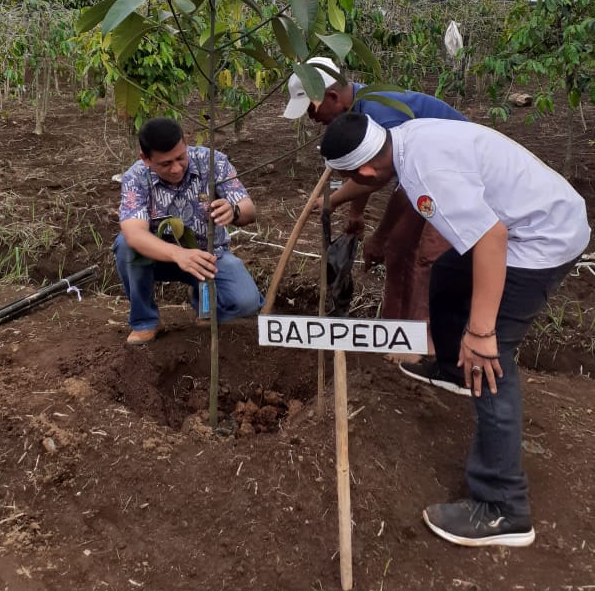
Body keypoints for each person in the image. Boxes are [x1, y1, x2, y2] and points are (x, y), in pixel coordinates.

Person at [320, 111, 590, 547]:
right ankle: (449, 368)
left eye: (352, 179)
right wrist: (328, 202)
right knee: (447, 273)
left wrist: (481, 332)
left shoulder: (427, 175)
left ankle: (503, 507)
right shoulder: (403, 139)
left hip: (538, 239)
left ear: (369, 169)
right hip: (532, 215)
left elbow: (490, 239)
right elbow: (371, 179)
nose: (354, 186)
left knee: (491, 358)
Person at [284, 57, 467, 334]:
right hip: (428, 176)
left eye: (311, 108)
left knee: (426, 255)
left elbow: (389, 180)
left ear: (332, 96)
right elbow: (367, 171)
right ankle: (395, 333)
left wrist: (375, 234)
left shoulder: (383, 114)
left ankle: (425, 343)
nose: (312, 118)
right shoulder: (360, 107)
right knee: (400, 248)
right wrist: (355, 213)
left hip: (456, 174)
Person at [114, 117, 263, 345]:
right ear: (145, 159)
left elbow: (249, 209)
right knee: (126, 245)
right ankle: (146, 322)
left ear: (185, 142)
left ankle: (203, 302)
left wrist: (234, 211)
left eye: (180, 158)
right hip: (158, 258)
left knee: (246, 302)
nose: (176, 169)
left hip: (208, 256)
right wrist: (178, 254)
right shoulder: (135, 177)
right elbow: (134, 234)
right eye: (165, 164)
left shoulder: (213, 161)